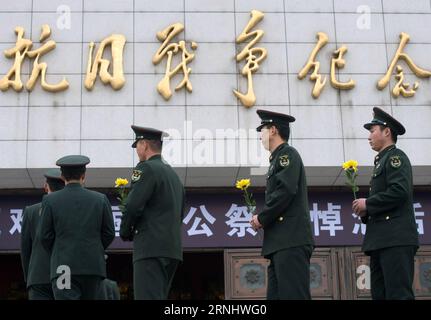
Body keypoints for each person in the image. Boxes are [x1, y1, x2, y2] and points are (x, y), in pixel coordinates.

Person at [352, 107, 419, 300]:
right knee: (380, 295)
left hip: (396, 239)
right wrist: (366, 211)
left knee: (398, 294)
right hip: (381, 240)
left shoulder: (396, 157)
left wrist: (369, 203)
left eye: (372, 131)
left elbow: (399, 192)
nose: (369, 136)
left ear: (386, 132)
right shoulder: (382, 161)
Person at [250, 109, 314, 300]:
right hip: (281, 242)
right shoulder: (277, 158)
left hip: (291, 240)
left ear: (273, 130)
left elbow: (285, 191)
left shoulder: (287, 155)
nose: (260, 136)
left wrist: (262, 218)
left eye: (262, 129)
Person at [120, 125, 185, 300]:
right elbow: (180, 213)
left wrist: (125, 231)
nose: (137, 151)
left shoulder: (145, 168)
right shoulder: (173, 175)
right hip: (171, 249)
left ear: (144, 145)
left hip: (150, 247)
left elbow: (133, 205)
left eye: (137, 146)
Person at [39, 155, 115, 300]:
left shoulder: (50, 201)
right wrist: (95, 248)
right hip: (93, 268)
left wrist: (59, 250)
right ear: (83, 175)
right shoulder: (100, 199)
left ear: (62, 176)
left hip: (63, 268)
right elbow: (109, 233)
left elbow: (44, 236)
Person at [20, 169, 65, 300]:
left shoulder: (31, 211)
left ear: (46, 187)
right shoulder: (71, 209)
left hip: (38, 276)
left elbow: (25, 249)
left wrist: (29, 277)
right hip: (65, 274)